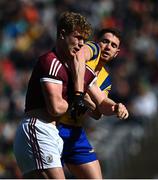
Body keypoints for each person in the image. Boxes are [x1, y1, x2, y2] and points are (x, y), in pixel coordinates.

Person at [13, 11, 92, 179]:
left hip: (47, 132)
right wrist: (76, 97)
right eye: (77, 37)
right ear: (62, 34)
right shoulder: (51, 62)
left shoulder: (67, 66)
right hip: (39, 129)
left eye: (84, 40)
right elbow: (55, 108)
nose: (80, 44)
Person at [58, 28, 126, 179]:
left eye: (113, 45)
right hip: (55, 126)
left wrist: (115, 107)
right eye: (105, 41)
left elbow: (97, 113)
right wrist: (88, 98)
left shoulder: (106, 79)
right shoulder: (83, 56)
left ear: (116, 53)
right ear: (96, 42)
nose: (108, 47)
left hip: (76, 132)